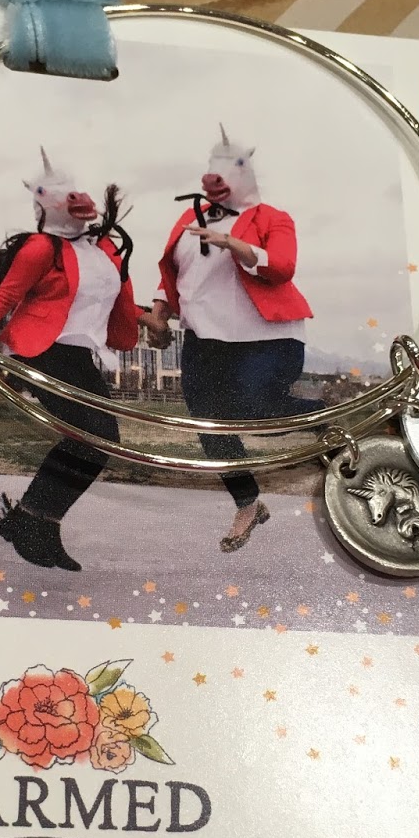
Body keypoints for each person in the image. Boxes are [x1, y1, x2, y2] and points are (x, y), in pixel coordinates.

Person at [0, 149, 139, 571]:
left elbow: (112, 297)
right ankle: (34, 522)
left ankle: (34, 521)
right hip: (42, 350)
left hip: (79, 354)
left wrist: (149, 321)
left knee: (98, 440)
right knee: (94, 437)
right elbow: (7, 296)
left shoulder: (103, 250)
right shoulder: (42, 248)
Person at [142, 125, 313, 552]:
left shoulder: (273, 217)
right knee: (208, 422)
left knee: (253, 409)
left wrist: (233, 243)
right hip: (205, 340)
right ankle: (248, 504)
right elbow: (175, 273)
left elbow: (283, 266)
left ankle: (328, 418)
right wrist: (160, 312)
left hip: (265, 337)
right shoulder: (190, 219)